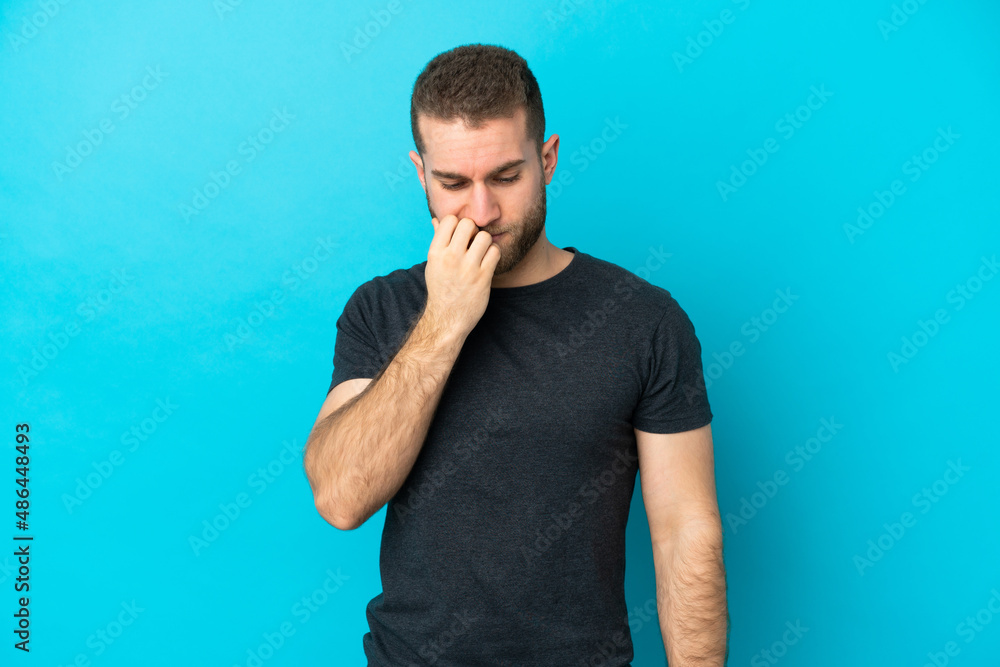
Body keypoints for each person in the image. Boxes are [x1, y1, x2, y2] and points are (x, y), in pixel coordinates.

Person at [303, 43, 728, 667]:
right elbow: (341, 498)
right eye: (453, 183)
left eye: (506, 176)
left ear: (547, 159)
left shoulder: (645, 321)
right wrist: (445, 319)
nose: (483, 211)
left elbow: (685, 535)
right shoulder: (380, 309)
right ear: (420, 173)